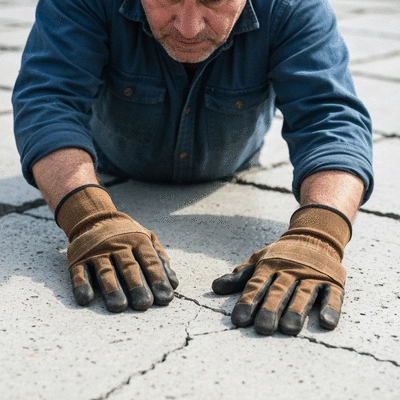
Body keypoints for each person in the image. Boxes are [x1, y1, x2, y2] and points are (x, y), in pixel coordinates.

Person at [12, 0, 373, 336]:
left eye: (213, 1)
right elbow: (49, 101)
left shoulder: (292, 9)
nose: (188, 28)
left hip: (233, 167)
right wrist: (86, 215)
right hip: (108, 166)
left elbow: (330, 119)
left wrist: (320, 234)